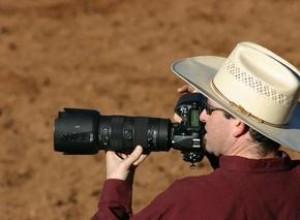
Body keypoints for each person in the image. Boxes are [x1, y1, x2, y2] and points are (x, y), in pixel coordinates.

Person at [91, 42, 300, 219]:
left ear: (238, 124)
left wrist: (116, 186)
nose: (201, 116)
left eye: (208, 109)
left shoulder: (190, 199)